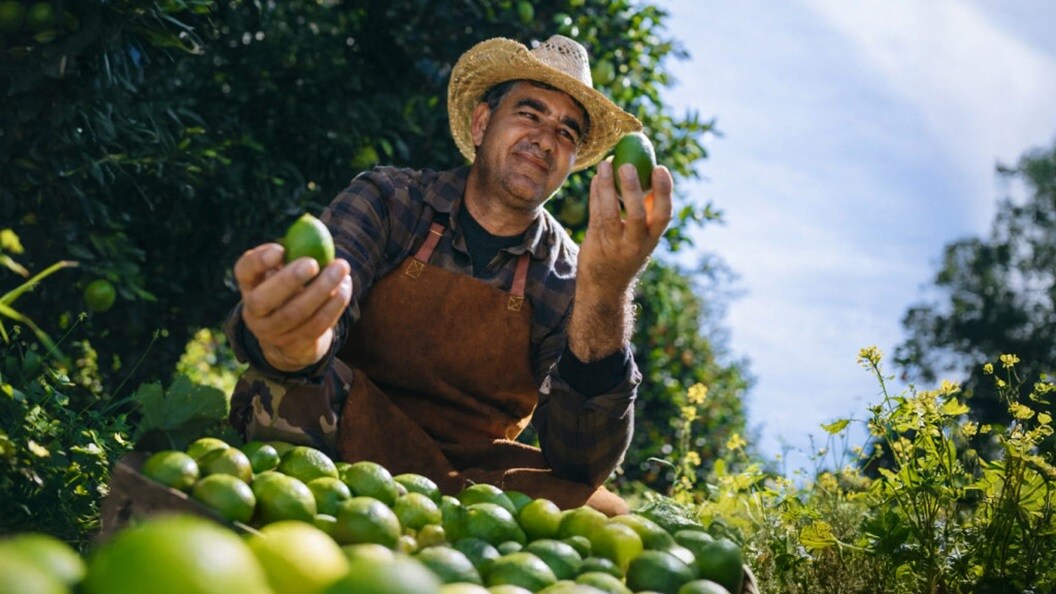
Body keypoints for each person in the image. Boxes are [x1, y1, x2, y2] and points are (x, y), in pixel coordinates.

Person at [224, 34, 673, 516]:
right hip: (346, 428)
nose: (545, 139)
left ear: (570, 163)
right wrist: (292, 340)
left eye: (566, 132)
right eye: (529, 113)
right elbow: (315, 323)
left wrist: (606, 292)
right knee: (280, 392)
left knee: (608, 516)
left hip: (474, 480)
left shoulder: (569, 277)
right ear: (482, 123)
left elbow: (580, 459)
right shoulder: (389, 200)